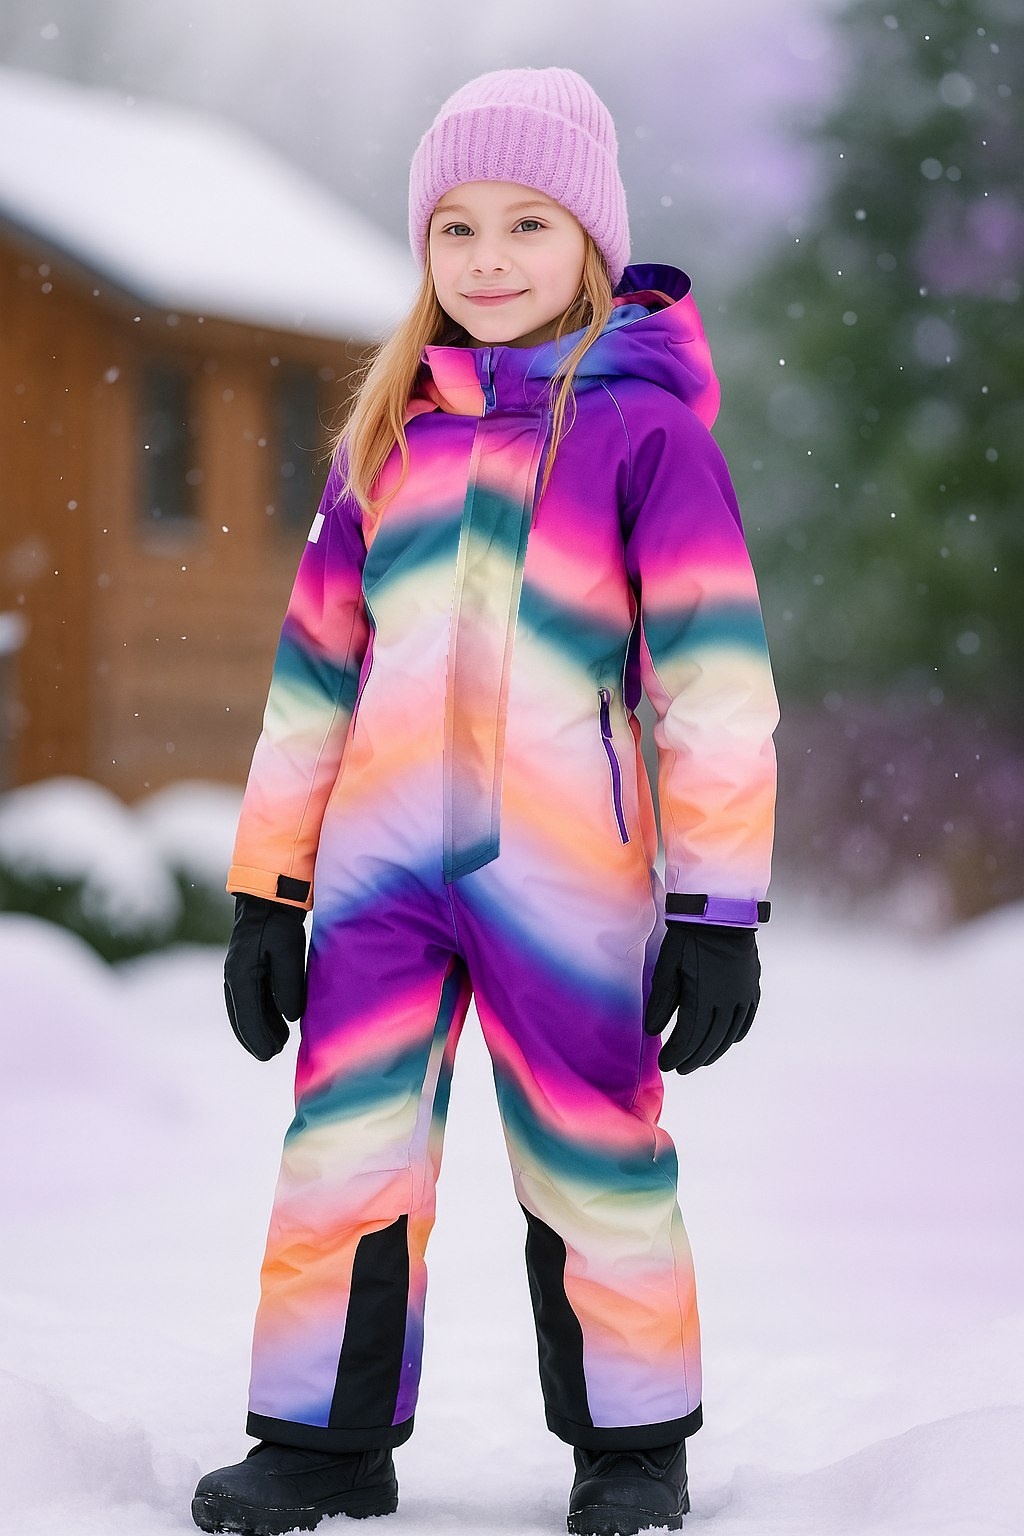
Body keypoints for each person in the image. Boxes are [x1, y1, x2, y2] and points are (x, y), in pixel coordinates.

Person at [191, 65, 779, 1536]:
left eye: (527, 223)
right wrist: (268, 887)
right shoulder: (384, 445)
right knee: (346, 1147)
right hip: (382, 877)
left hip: (564, 878)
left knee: (593, 1150)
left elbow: (712, 683)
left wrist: (717, 907)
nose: (491, 258)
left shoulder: (643, 438)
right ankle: (323, 1444)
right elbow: (313, 680)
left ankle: (630, 1448)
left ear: (591, 240)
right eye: (456, 228)